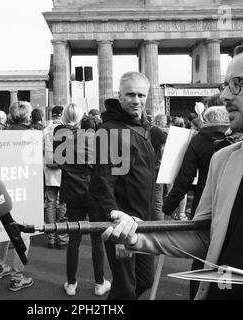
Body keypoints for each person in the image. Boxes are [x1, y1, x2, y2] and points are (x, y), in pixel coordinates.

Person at [101, 38, 243, 300]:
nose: (225, 95)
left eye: (237, 83)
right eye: (225, 85)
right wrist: (136, 235)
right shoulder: (224, 160)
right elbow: (204, 235)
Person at [89, 71, 157, 300]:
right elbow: (102, 184)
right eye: (130, 94)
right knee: (126, 288)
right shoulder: (108, 131)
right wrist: (115, 224)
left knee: (145, 280)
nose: (136, 100)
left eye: (141, 95)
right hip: (122, 222)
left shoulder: (143, 127)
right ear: (120, 96)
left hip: (144, 220)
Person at [163, 102, 229, 299]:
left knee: (200, 258)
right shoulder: (238, 139)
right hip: (232, 204)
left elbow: (185, 176)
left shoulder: (199, 140)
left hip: (204, 204)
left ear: (207, 121)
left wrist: (169, 207)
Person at [54, 105, 111, 296]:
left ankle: (71, 283)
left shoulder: (60, 136)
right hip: (94, 193)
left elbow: (57, 161)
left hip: (73, 192)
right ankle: (99, 282)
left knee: (74, 240)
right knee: (97, 240)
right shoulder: (94, 138)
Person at [0, 101, 34, 292]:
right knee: (23, 233)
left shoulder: (1, 135)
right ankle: (17, 277)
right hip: (25, 189)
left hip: (5, 187)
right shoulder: (31, 136)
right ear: (27, 116)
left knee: (4, 229)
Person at [43, 105, 68, 249]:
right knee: (63, 203)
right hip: (64, 171)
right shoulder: (66, 131)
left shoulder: (45, 131)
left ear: (52, 116)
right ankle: (63, 237)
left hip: (49, 171)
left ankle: (51, 237)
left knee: (50, 203)